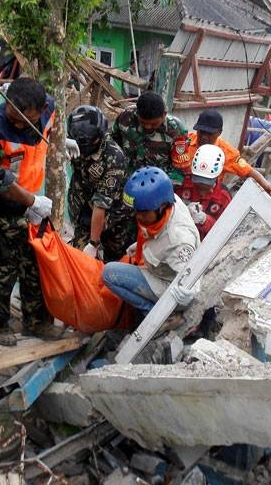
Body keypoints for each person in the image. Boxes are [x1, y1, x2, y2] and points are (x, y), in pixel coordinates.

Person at [0, 77, 56, 345]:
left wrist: (64, 140)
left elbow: (46, 138)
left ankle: (37, 322)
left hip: (31, 205)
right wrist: (30, 201)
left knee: (35, 266)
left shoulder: (50, 111)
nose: (16, 124)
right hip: (0, 209)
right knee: (2, 268)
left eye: (24, 120)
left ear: (42, 108)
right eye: (12, 117)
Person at [102, 167, 200, 317]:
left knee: (109, 274)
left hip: (169, 286)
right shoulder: (166, 200)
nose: (138, 216)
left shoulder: (179, 240)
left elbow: (192, 275)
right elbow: (155, 232)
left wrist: (190, 292)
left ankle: (154, 315)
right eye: (136, 211)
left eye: (143, 212)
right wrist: (141, 244)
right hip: (160, 268)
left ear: (161, 207)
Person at [66, 105, 133, 262]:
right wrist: (58, 142)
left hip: (114, 214)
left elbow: (101, 204)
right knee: (80, 261)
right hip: (82, 208)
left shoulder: (113, 157)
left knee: (115, 260)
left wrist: (93, 243)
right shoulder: (74, 144)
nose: (84, 149)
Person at [188, 108, 271, 196]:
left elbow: (248, 171)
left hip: (208, 197)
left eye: (209, 133)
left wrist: (267, 185)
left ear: (219, 133)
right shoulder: (185, 141)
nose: (204, 137)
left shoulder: (228, 153)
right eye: (201, 132)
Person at [111, 91, 191, 186]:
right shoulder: (125, 117)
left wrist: (160, 188)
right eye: (143, 123)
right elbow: (113, 144)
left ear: (164, 115)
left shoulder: (176, 131)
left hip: (158, 185)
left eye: (154, 124)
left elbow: (179, 171)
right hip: (127, 181)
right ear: (137, 114)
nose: (148, 127)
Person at [176, 143, 232, 239]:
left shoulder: (223, 198)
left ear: (217, 176)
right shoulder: (183, 183)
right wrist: (183, 211)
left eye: (206, 182)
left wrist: (205, 220)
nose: (201, 186)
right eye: (198, 180)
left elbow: (225, 231)